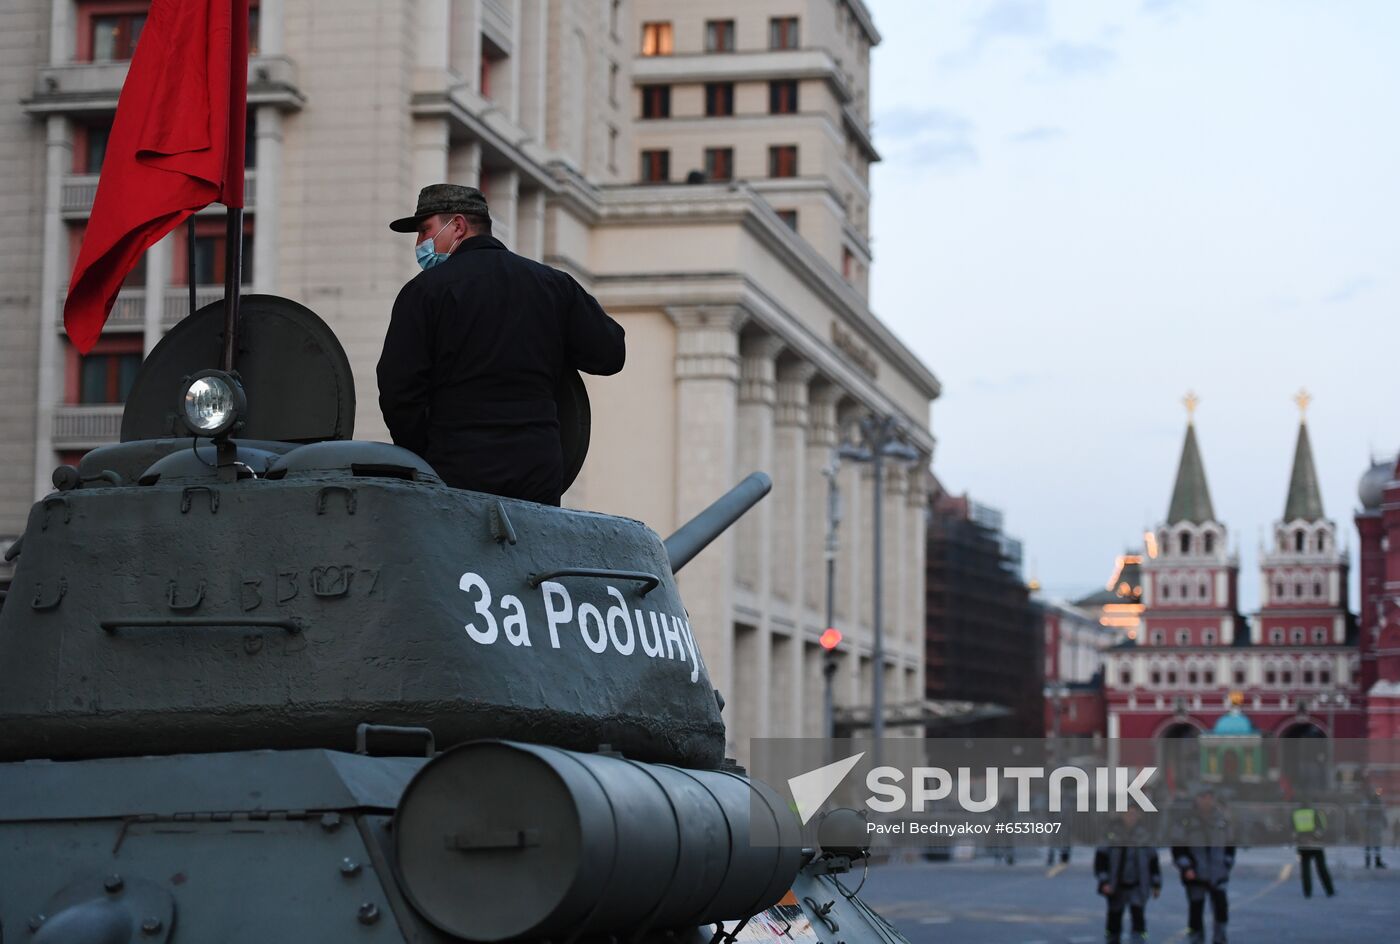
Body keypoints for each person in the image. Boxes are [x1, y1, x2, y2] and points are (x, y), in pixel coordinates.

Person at [378, 184, 625, 505]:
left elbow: (399, 392)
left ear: (457, 226)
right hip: (537, 473)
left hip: (455, 472)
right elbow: (609, 354)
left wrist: (426, 456)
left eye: (425, 230)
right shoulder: (552, 285)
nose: (420, 243)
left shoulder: (425, 292)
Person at [1171, 786, 1234, 944]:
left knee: (1221, 908)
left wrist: (1227, 864)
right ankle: (1196, 939)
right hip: (1195, 874)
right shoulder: (1185, 821)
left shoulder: (1222, 820)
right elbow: (1177, 847)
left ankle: (1220, 938)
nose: (1207, 800)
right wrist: (1186, 867)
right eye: (1203, 797)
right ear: (1196, 799)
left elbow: (1230, 845)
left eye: (1209, 797)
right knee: (1196, 910)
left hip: (1217, 874)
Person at [1094, 805, 1161, 944]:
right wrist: (1104, 881)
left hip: (1138, 885)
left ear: (1139, 816)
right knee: (1114, 918)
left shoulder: (1145, 835)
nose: (1131, 817)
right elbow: (1101, 859)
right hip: (1116, 885)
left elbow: (1153, 861)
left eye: (1134, 814)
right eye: (1128, 814)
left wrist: (1156, 883)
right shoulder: (1112, 833)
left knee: (1138, 918)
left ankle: (1139, 940)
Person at [1292, 797, 1335, 897]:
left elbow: (1293, 831)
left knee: (1305, 869)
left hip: (1302, 845)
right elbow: (1322, 828)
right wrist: (1314, 837)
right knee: (1321, 868)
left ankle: (1307, 892)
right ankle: (1329, 890)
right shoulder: (1315, 812)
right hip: (1316, 844)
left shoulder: (1295, 814)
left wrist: (1301, 839)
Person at [1364, 787, 1388, 869]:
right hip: (1374, 823)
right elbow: (1380, 812)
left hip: (1371, 823)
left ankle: (1369, 862)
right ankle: (1376, 861)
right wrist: (1384, 822)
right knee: (1375, 842)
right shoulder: (1375, 800)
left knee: (1370, 843)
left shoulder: (1369, 800)